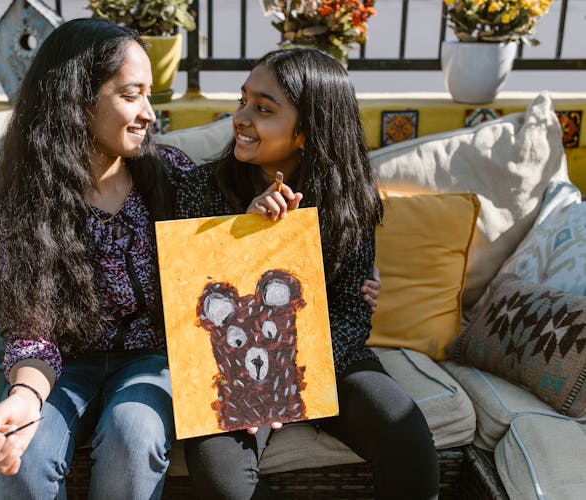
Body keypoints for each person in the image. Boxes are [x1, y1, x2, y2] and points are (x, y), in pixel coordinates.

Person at [176, 48, 439, 499]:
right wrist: (245, 232)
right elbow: (188, 301)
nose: (240, 117)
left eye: (263, 109)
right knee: (219, 474)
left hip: (327, 358)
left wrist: (290, 373)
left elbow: (353, 314)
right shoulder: (202, 189)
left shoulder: (349, 200)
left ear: (307, 131)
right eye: (243, 101)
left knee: (408, 439)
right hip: (232, 365)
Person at [0, 18, 196, 499]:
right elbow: (31, 327)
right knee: (23, 456)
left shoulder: (172, 175)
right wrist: (25, 396)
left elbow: (238, 251)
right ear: (77, 100)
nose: (149, 114)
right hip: (64, 365)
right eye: (131, 95)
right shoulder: (29, 201)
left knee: (134, 434)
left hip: (153, 359)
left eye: (149, 95)